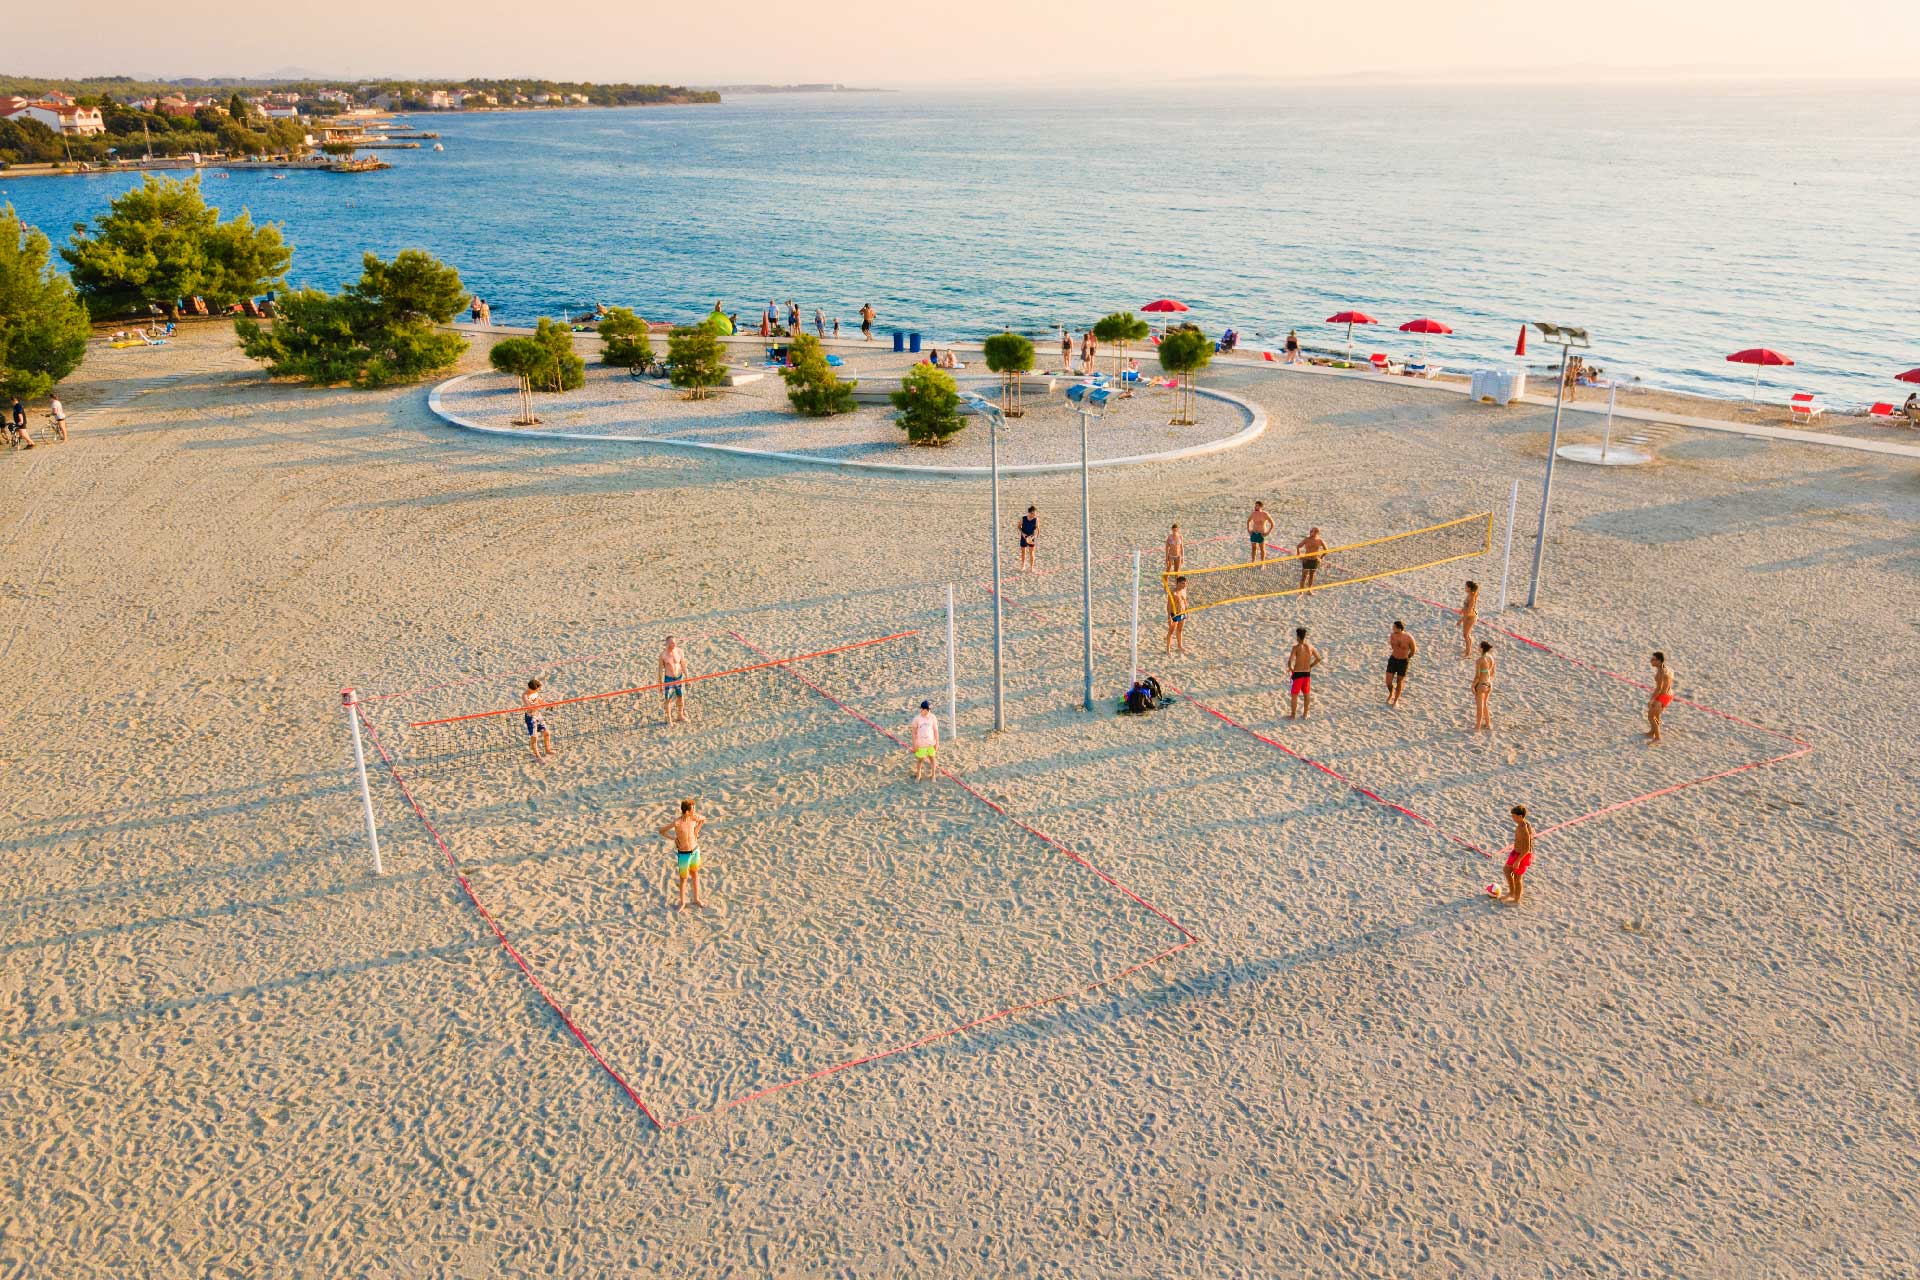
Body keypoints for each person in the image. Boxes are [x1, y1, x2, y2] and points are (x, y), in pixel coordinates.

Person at [658, 798, 707, 910]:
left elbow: (703, 819)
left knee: (695, 874)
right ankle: (682, 902)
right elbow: (661, 831)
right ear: (686, 811)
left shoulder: (693, 818)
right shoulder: (677, 823)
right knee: (683, 878)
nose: (694, 811)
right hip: (684, 853)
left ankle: (696, 899)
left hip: (695, 850)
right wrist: (673, 838)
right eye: (693, 809)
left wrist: (696, 831)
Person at [1491, 805, 1533, 904]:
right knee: (1507, 870)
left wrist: (1518, 861)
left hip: (1522, 855)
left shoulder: (1524, 829)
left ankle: (1516, 899)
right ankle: (1512, 892)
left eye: (1514, 816)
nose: (1512, 818)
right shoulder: (1522, 824)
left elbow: (1527, 848)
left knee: (1518, 877)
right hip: (1516, 852)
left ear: (1520, 816)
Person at [1287, 626, 1321, 719]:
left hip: (1297, 674)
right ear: (1305, 636)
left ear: (1298, 637)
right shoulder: (1310, 647)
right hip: (1307, 673)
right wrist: (1310, 666)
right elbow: (1318, 658)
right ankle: (1305, 714)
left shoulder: (1296, 648)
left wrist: (1291, 669)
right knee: (1306, 694)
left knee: (1294, 695)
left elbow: (1290, 661)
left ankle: (1293, 715)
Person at [660, 636, 690, 725]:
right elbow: (660, 670)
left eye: (674, 643)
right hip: (668, 679)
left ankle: (680, 715)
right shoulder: (663, 655)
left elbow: (683, 665)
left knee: (680, 697)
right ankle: (669, 719)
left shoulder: (680, 651)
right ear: (666, 644)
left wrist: (687, 678)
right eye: (670, 643)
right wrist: (661, 684)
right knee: (668, 699)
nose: (672, 645)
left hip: (679, 678)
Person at [1386, 621, 1417, 707]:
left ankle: (1396, 700)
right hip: (1393, 659)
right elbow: (1393, 647)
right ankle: (1391, 693)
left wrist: (1407, 658)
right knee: (1388, 682)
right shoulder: (1392, 635)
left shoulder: (1408, 637)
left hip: (1403, 662)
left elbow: (1413, 650)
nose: (1392, 628)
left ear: (1399, 629)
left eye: (1394, 627)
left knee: (1399, 681)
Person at [522, 678, 554, 760]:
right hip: (530, 718)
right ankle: (537, 756)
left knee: (547, 733)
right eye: (537, 689)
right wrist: (539, 705)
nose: (538, 690)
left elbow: (540, 700)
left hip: (538, 715)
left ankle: (548, 750)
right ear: (530, 689)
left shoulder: (535, 693)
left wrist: (547, 705)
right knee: (534, 737)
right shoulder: (525, 695)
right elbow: (531, 707)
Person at [1647, 651, 1674, 744]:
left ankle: (1657, 738)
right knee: (1657, 715)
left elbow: (1659, 689)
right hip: (1669, 694)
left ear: (1659, 661)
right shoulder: (1667, 669)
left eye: (1653, 660)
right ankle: (1652, 732)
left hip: (1663, 696)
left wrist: (1652, 700)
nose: (1651, 661)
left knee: (1651, 716)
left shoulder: (1661, 672)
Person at [909, 700, 939, 781]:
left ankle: (933, 775)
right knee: (920, 760)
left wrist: (937, 743)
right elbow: (914, 733)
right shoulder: (917, 719)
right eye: (927, 709)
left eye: (929, 709)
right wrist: (914, 744)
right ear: (922, 709)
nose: (928, 711)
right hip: (921, 744)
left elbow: (936, 731)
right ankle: (918, 774)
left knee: (932, 759)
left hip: (931, 743)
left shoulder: (933, 717)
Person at [1472, 641, 1495, 731]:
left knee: (1479, 707)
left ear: (1481, 648)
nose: (1477, 647)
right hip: (1489, 684)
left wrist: (1473, 686)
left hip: (1481, 684)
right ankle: (1488, 723)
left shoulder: (1479, 661)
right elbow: (1492, 672)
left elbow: (1477, 676)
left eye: (1479, 646)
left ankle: (1477, 727)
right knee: (1485, 704)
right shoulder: (1491, 657)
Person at [1296, 527, 1327, 593]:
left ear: (1317, 533)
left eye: (1313, 531)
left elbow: (1326, 550)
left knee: (1311, 576)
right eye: (1311, 531)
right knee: (1304, 576)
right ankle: (1301, 591)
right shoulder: (1306, 539)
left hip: (1314, 560)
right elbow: (1298, 546)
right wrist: (1298, 554)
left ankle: (1309, 590)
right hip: (1306, 560)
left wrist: (1321, 558)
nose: (1311, 532)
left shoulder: (1320, 540)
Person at [1165, 576, 1190, 655]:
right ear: (1177, 583)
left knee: (1180, 630)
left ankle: (1179, 646)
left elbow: (1185, 602)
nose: (1184, 585)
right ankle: (1168, 649)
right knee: (1171, 631)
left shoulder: (1184, 590)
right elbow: (1169, 605)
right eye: (1182, 583)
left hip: (1182, 613)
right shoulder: (1173, 592)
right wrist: (1169, 616)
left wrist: (1187, 611)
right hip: (1174, 614)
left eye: (1185, 584)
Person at [1458, 580, 1480, 657]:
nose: (1465, 588)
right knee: (1466, 634)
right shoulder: (1469, 595)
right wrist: (1462, 610)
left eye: (1466, 587)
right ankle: (1468, 648)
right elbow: (1466, 606)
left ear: (1470, 588)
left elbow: (1469, 611)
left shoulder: (1472, 598)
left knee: (1466, 635)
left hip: (1471, 617)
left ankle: (1468, 653)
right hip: (1468, 615)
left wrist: (1461, 620)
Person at [1018, 505, 1039, 572]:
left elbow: (1038, 530)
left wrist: (1033, 537)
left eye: (1035, 513)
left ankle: (1031, 567)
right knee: (1023, 552)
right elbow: (1018, 527)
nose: (1034, 515)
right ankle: (1023, 566)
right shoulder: (1023, 518)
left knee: (1031, 553)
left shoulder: (1036, 520)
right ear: (1029, 513)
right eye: (1033, 513)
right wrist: (1023, 533)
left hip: (1031, 538)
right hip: (1023, 537)